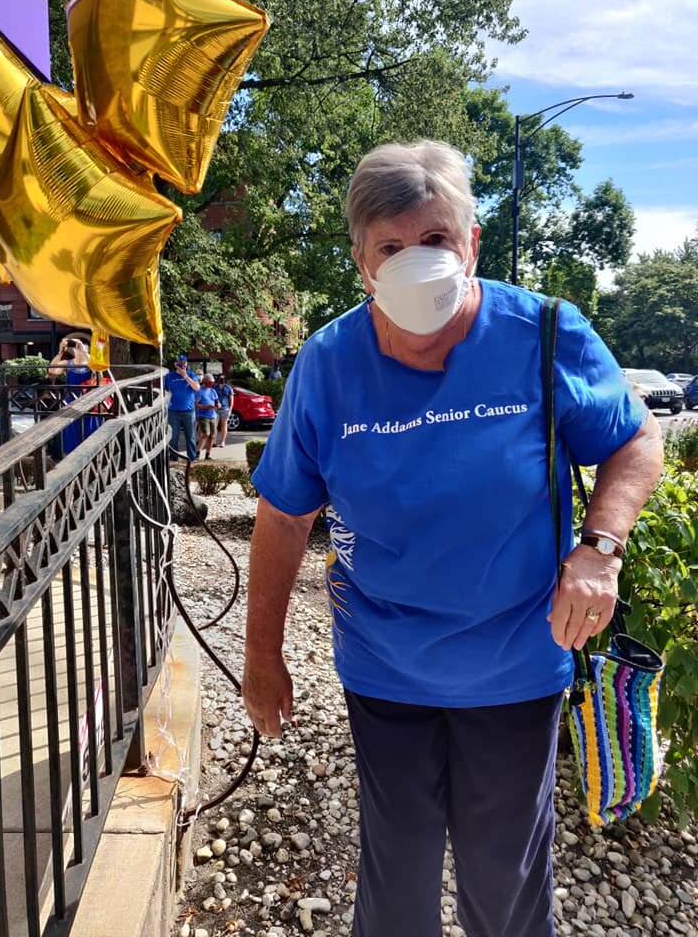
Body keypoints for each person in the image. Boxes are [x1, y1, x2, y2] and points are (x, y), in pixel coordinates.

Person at [242, 141, 665, 937]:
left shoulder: (541, 335)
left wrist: (599, 549)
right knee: (395, 874)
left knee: (505, 879)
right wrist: (262, 656)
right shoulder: (329, 365)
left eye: (435, 240)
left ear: (471, 241)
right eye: (391, 248)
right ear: (361, 262)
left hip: (514, 664)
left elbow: (635, 441)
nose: (415, 263)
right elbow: (285, 512)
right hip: (385, 666)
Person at [47, 336, 102, 455]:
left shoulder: (91, 361)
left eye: (80, 346)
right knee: (72, 432)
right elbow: (52, 371)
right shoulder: (68, 362)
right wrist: (61, 352)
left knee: (90, 430)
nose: (76, 348)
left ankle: (92, 455)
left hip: (89, 401)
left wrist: (84, 352)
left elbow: (98, 371)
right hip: (71, 401)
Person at [164, 353, 200, 461]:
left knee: (191, 436)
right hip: (173, 411)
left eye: (184, 363)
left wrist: (185, 376)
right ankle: (174, 459)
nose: (183, 365)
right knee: (173, 437)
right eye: (180, 363)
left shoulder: (191, 374)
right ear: (176, 364)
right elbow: (166, 391)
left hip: (188, 411)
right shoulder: (169, 376)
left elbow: (197, 388)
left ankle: (192, 459)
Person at [196, 372, 220, 459]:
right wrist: (207, 406)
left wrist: (218, 405)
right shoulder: (200, 391)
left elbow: (217, 401)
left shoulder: (213, 391)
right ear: (205, 382)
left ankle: (208, 454)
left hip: (212, 415)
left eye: (212, 383)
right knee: (206, 433)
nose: (211, 384)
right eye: (210, 383)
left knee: (212, 435)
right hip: (203, 415)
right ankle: (197, 453)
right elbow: (197, 405)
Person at [215, 374, 234, 448]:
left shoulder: (228, 388)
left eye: (223, 378)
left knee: (224, 425)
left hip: (225, 408)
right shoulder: (214, 387)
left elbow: (231, 398)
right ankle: (214, 441)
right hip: (216, 409)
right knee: (215, 425)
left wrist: (230, 408)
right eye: (220, 378)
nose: (222, 380)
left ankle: (223, 441)